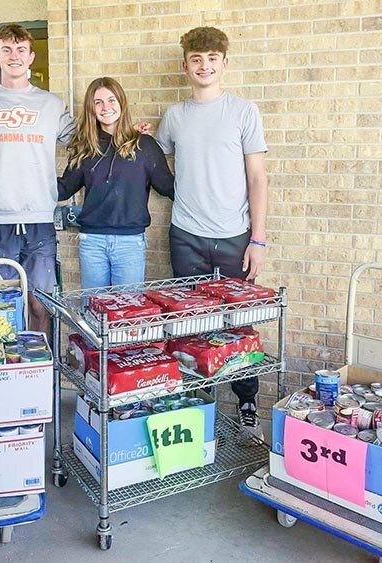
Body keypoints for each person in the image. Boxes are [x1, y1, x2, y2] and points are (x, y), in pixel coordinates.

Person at [155, 27, 269, 439]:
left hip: (235, 236)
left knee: (238, 325)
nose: (204, 66)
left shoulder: (243, 111)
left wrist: (258, 240)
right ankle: (195, 407)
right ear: (186, 65)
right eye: (196, 59)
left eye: (212, 59)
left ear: (224, 63)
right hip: (185, 233)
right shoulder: (175, 115)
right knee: (188, 324)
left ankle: (247, 403)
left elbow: (257, 179)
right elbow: (157, 156)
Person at [0, 23, 76, 332]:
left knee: (41, 304)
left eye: (20, 50)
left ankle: (38, 372)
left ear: (31, 57)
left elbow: (86, 144)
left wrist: (129, 134)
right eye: (6, 50)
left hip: (39, 219)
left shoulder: (52, 105)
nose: (14, 56)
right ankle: (2, 374)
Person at [57, 77, 174, 289]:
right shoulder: (85, 148)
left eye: (111, 100)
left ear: (121, 102)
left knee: (127, 314)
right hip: (91, 243)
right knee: (93, 310)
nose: (106, 107)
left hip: (130, 243)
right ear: (91, 109)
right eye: (98, 102)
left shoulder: (144, 146)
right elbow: (63, 188)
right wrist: (28, 178)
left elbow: (168, 186)